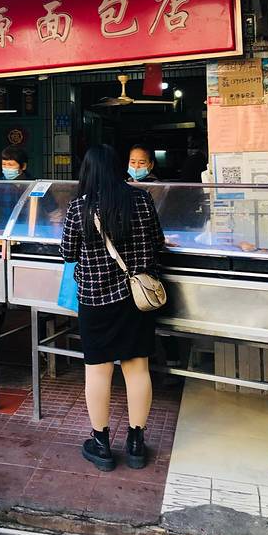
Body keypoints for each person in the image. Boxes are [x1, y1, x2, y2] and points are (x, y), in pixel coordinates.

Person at [60, 144, 165, 471]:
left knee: (98, 370)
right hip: (136, 300)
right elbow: (158, 241)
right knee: (137, 368)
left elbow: (68, 252)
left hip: (95, 300)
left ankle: (101, 444)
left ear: (88, 172)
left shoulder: (79, 206)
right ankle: (136, 443)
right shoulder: (142, 199)